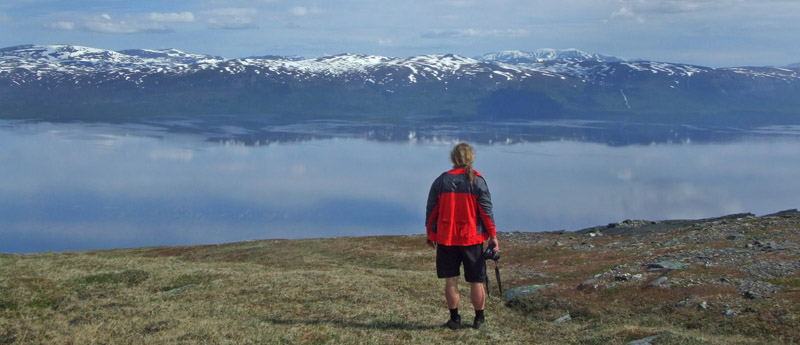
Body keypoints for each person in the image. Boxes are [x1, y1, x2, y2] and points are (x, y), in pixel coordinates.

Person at [426, 142, 499, 330]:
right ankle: (479, 320)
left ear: (453, 158)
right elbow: (486, 212)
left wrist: (430, 233)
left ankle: (455, 319)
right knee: (477, 280)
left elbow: (432, 211)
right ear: (471, 158)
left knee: (451, 279)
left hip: (446, 238)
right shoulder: (477, 181)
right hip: (472, 239)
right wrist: (493, 237)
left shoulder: (441, 181)